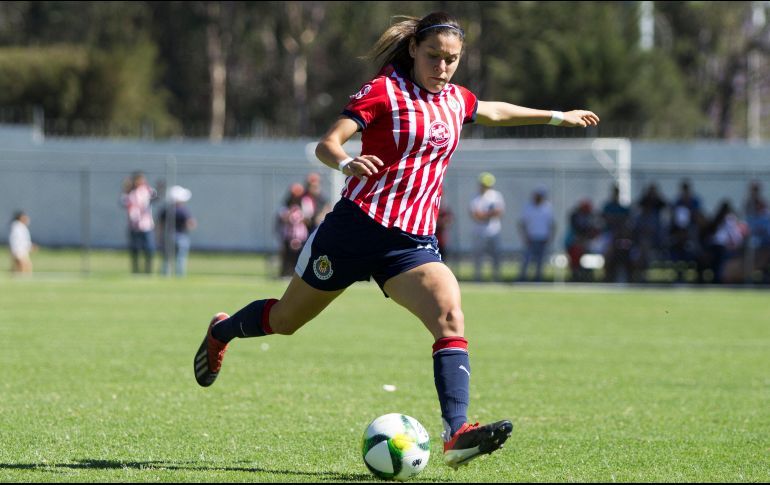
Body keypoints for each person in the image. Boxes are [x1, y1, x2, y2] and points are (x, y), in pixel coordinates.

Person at [193, 11, 598, 469]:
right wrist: (345, 163)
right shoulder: (384, 91)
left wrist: (557, 115)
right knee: (286, 321)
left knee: (449, 313)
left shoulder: (454, 100)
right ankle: (221, 331)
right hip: (353, 230)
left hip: (410, 243)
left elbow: (494, 110)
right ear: (413, 50)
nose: (442, 68)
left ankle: (456, 431)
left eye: (452, 60)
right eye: (433, 56)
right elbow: (328, 142)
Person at [469, 172, 505, 282]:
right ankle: (478, 278)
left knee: (496, 255)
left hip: (494, 231)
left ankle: (496, 277)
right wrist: (488, 214)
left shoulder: (496, 196)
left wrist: (484, 214)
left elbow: (499, 212)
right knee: (478, 256)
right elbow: (475, 215)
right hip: (479, 232)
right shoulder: (475, 198)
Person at [120, 171, 157, 274]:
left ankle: (148, 271)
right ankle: (135, 271)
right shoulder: (129, 193)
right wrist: (125, 189)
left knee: (149, 248)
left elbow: (155, 197)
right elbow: (122, 202)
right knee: (135, 249)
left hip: (146, 225)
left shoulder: (147, 190)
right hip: (134, 226)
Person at [518, 186, 555, 282]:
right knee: (527, 259)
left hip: (543, 238)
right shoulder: (528, 207)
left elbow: (551, 224)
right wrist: (525, 236)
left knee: (540, 261)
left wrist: (550, 237)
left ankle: (538, 279)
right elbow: (522, 223)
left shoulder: (547, 207)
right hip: (531, 237)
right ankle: (522, 278)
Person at [158, 185, 197, 277]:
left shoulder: (166, 210)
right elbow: (191, 223)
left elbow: (160, 225)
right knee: (180, 258)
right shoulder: (183, 210)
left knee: (166, 258)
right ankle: (180, 275)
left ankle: (165, 275)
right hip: (181, 236)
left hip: (168, 236)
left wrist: (159, 236)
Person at [276, 183, 310, 278]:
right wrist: (290, 215)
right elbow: (282, 218)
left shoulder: (305, 204)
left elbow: (308, 219)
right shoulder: (285, 206)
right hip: (288, 234)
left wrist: (300, 217)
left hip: (301, 235)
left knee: (300, 256)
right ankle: (285, 273)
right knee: (287, 255)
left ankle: (298, 275)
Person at [600, 184, 633, 283]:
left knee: (625, 250)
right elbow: (606, 220)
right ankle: (607, 276)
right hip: (609, 236)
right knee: (608, 251)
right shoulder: (607, 207)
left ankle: (627, 276)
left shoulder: (623, 208)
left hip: (620, 237)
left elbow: (626, 222)